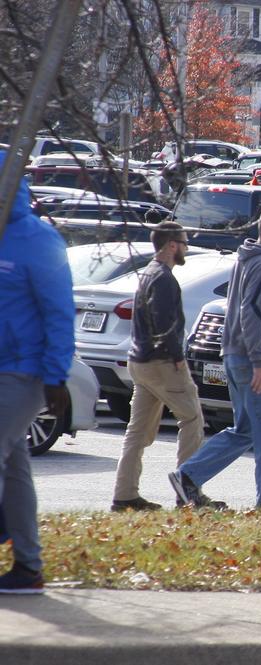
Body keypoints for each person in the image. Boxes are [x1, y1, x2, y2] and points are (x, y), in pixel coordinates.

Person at [168, 206, 261, 509]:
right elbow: (250, 311)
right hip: (253, 359)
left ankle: (188, 476)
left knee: (246, 430)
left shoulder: (245, 258)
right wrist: (260, 360)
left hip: (234, 355)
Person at [0, 149, 75, 593]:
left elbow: (59, 313)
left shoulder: (39, 241)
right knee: (16, 469)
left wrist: (55, 375)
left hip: (23, 373)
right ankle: (28, 567)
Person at [112, 222, 212, 512]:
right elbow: (163, 321)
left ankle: (124, 496)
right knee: (192, 419)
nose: (186, 247)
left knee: (137, 432)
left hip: (139, 362)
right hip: (161, 363)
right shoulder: (164, 279)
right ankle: (188, 491)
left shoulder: (147, 273)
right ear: (171, 245)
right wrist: (176, 356)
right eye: (183, 241)